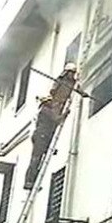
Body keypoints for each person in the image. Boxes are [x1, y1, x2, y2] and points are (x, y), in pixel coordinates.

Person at [23, 62, 78, 190]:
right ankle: (29, 181)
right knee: (36, 159)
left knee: (40, 159)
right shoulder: (45, 110)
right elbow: (56, 119)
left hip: (45, 135)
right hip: (41, 136)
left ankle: (33, 181)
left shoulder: (70, 84)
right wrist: (65, 114)